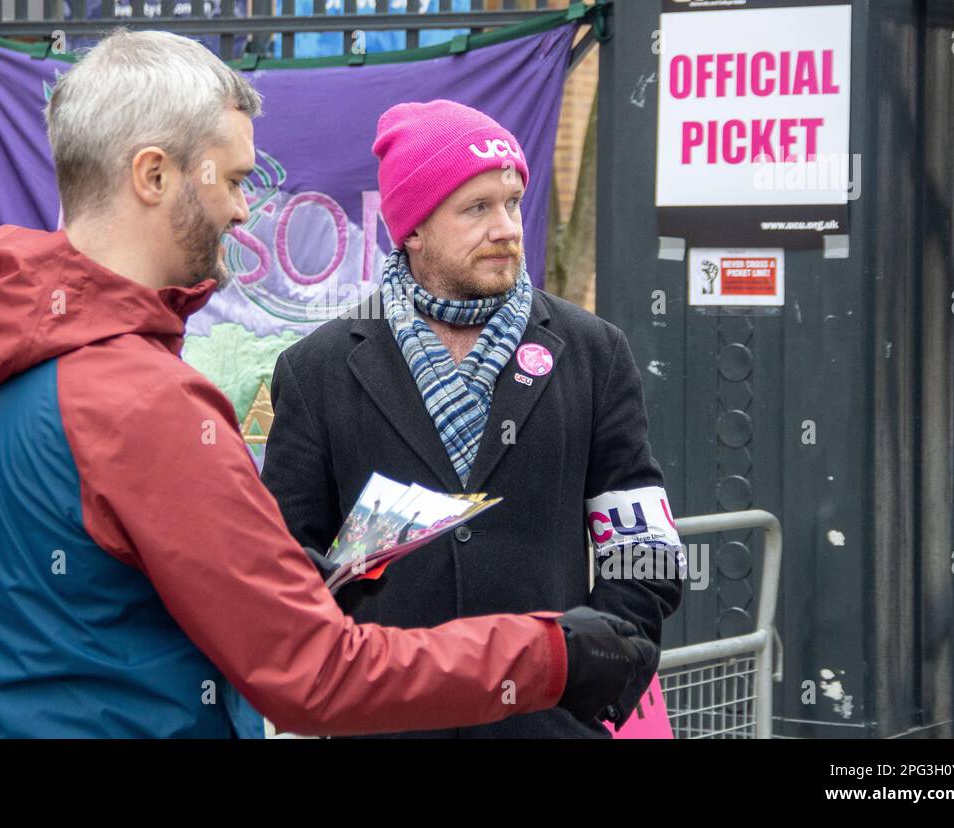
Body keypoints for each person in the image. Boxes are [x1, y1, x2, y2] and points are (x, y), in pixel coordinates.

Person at [0, 31, 657, 738]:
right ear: (153, 175)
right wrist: (553, 655)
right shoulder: (146, 401)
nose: (243, 208)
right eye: (234, 178)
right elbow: (312, 670)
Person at [261, 99, 686, 739]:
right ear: (413, 229)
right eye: (477, 208)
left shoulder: (594, 352)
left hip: (552, 725)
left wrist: (605, 669)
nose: (507, 228)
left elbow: (643, 547)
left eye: (512, 202)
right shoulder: (316, 369)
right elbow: (285, 561)